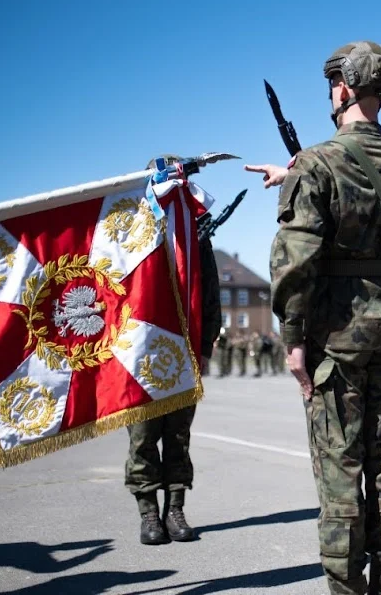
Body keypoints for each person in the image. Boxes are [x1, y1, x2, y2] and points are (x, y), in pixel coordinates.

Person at [245, 41, 381, 594]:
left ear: (343, 87)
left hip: (336, 337)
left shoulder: (317, 163)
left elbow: (295, 261)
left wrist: (292, 340)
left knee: (340, 473)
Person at [125, 155, 222, 546]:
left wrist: (206, 341)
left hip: (184, 345)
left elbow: (210, 290)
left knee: (178, 434)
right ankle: (149, 512)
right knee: (144, 436)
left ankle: (176, 508)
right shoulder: (129, 229)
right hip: (141, 351)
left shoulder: (194, 232)